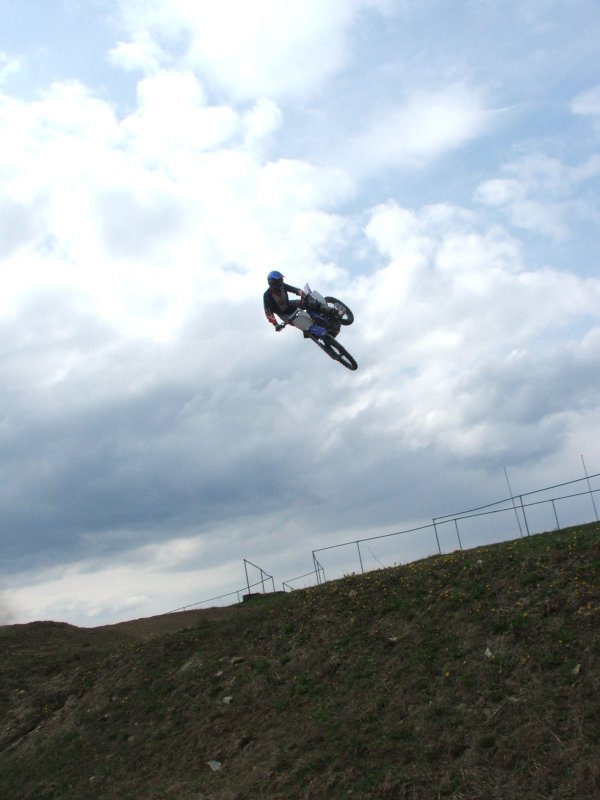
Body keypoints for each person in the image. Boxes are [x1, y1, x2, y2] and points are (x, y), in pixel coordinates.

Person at [263, 270, 330, 337]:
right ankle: (311, 330)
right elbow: (268, 313)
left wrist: (304, 296)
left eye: (281, 280)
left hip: (289, 304)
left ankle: (327, 309)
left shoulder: (283, 286)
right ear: (272, 283)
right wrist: (276, 324)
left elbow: (294, 289)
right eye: (279, 281)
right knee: (301, 322)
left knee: (308, 302)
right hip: (283, 314)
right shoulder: (267, 295)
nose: (281, 283)